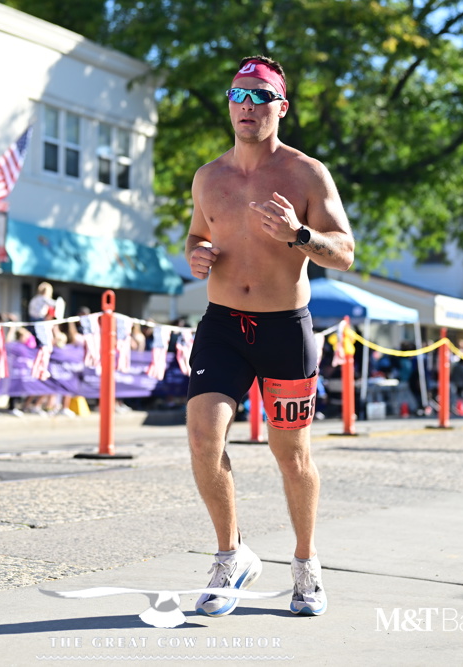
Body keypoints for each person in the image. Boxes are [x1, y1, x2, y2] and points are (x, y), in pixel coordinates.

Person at [184, 55, 354, 617]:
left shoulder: (307, 174)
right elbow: (197, 235)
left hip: (285, 329)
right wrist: (196, 254)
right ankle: (230, 555)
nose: (247, 106)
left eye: (260, 96)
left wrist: (300, 234)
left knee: (291, 454)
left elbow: (345, 253)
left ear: (281, 107)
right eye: (238, 94)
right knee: (204, 438)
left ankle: (306, 565)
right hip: (222, 325)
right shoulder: (208, 177)